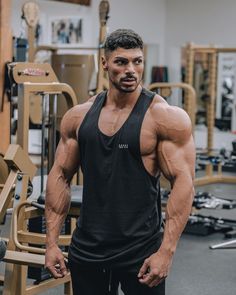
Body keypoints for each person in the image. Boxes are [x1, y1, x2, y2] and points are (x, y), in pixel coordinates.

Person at [45, 29, 195, 295]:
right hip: (88, 247)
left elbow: (184, 182)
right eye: (121, 62)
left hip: (140, 250)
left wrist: (167, 251)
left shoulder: (165, 117)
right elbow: (59, 175)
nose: (131, 70)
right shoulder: (78, 117)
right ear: (104, 63)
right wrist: (51, 243)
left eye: (137, 61)